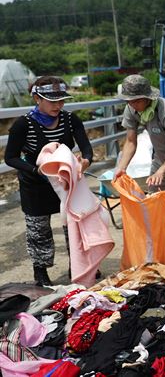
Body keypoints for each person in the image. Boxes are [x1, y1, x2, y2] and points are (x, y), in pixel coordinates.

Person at [4, 76, 93, 286]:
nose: (58, 106)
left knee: (72, 224)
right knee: (38, 229)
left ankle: (78, 266)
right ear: (37, 98)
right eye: (52, 101)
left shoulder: (71, 120)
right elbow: (11, 157)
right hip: (35, 182)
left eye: (61, 101)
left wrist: (86, 161)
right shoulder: (23, 124)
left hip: (64, 183)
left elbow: (86, 148)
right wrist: (36, 170)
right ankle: (41, 272)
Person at [113, 74, 165, 206]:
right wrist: (121, 167)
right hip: (160, 158)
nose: (132, 105)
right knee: (155, 203)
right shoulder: (131, 108)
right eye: (129, 101)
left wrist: (161, 171)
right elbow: (130, 141)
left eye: (136, 101)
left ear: (147, 98)